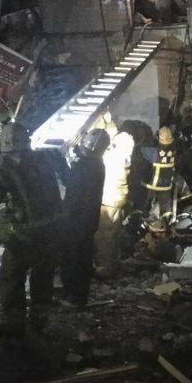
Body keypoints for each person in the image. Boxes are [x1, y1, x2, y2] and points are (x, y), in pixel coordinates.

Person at [0, 123, 65, 334]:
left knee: (12, 275)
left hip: (25, 233)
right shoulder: (44, 161)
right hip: (52, 230)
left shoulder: (7, 171)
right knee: (42, 275)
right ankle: (40, 318)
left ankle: (13, 321)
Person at [61, 128, 108, 307]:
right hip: (87, 219)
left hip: (76, 218)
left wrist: (61, 164)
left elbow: (72, 183)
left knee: (73, 257)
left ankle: (74, 296)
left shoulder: (86, 166)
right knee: (82, 256)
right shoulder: (97, 164)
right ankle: (77, 295)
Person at [95, 129, 134, 279]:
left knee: (106, 234)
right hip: (115, 199)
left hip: (109, 199)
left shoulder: (114, 157)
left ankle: (106, 267)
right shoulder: (123, 157)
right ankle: (111, 264)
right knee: (112, 233)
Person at [143, 126, 176, 230]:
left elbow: (141, 151)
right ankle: (167, 225)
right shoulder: (174, 152)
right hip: (166, 186)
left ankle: (145, 222)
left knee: (147, 204)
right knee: (166, 208)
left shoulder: (153, 152)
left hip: (153, 185)